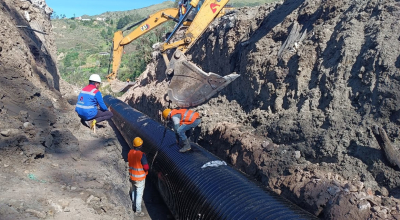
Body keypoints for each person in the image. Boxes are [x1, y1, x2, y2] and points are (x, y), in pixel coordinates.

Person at [128, 137, 149, 217]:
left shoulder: (130, 152)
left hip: (132, 177)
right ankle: (138, 211)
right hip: (140, 178)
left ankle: (133, 205)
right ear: (140, 145)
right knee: (139, 195)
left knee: (133, 191)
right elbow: (146, 167)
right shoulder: (141, 155)